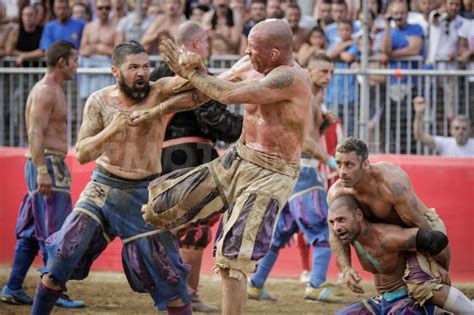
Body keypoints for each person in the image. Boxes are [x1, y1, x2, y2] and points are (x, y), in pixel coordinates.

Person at [141, 18, 312, 315]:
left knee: (233, 258)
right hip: (240, 156)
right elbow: (202, 93)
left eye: (253, 47)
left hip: (273, 172)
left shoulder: (290, 78)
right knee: (159, 205)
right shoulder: (249, 63)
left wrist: (191, 72)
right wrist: (155, 98)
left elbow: (226, 95)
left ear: (273, 53)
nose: (246, 51)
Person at [29, 41, 209, 315]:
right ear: (116, 71)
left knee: (170, 279)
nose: (142, 73)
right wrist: (112, 129)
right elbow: (83, 153)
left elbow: (206, 92)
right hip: (101, 189)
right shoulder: (99, 101)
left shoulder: (158, 92)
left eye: (146, 66)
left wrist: (195, 66)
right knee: (61, 259)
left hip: (142, 194)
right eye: (133, 67)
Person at [150, 20, 243, 313]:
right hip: (192, 154)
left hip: (161, 156)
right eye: (207, 42)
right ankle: (187, 294)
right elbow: (213, 120)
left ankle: (171, 294)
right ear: (196, 44)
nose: (209, 47)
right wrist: (252, 127)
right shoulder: (196, 73)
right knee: (195, 224)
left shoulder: (156, 73)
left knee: (173, 227)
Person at [247, 53, 340, 303]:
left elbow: (307, 134)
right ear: (310, 72)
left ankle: (255, 285)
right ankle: (316, 285)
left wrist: (323, 128)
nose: (328, 77)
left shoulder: (313, 98)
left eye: (331, 72)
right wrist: (332, 161)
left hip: (290, 171)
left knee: (278, 234)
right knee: (321, 229)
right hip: (304, 172)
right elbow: (305, 142)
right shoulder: (307, 97)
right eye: (323, 71)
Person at [0, 40, 84, 309]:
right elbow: (35, 134)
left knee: (30, 232)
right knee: (56, 231)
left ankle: (13, 287)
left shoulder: (52, 89)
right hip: (47, 165)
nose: (77, 66)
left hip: (45, 164)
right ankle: (56, 290)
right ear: (62, 62)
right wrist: (41, 171)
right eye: (75, 60)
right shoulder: (46, 91)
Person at [327, 137, 451, 302]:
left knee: (427, 285)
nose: (342, 171)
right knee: (393, 295)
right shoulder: (337, 193)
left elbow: (421, 227)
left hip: (423, 228)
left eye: (349, 164)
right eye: (338, 164)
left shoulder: (391, 182)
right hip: (389, 236)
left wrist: (434, 263)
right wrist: (346, 268)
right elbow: (335, 231)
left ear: (365, 164)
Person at [329, 195, 474, 315]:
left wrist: (438, 266)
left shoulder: (388, 237)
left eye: (341, 220)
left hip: (411, 300)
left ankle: (443, 310)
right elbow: (334, 238)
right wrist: (346, 269)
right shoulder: (350, 235)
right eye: (332, 222)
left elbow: (436, 239)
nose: (336, 228)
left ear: (359, 215)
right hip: (384, 301)